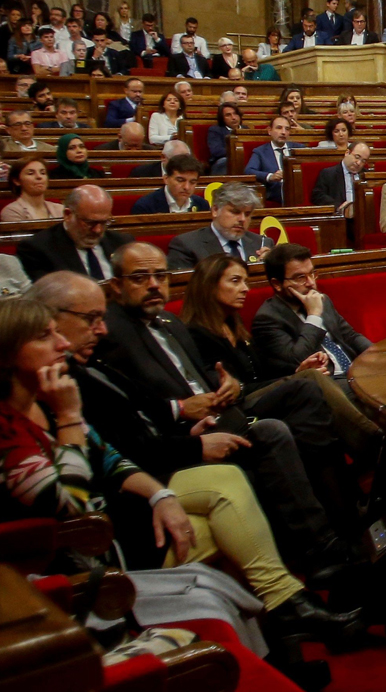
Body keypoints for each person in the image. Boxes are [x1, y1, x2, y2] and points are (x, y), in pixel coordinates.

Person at [0, 292, 359, 643]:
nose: (61, 345)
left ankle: (283, 623)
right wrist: (71, 416)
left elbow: (109, 459)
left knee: (226, 487)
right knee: (222, 525)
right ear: (4, 354)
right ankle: (285, 616)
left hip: (109, 522)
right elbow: (67, 506)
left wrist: (159, 494)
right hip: (67, 559)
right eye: (45, 336)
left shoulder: (38, 403)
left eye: (58, 332)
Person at [90, 245, 366, 574]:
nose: (154, 284)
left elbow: (214, 381)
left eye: (160, 276)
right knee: (299, 400)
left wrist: (229, 388)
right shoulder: (112, 332)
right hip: (189, 432)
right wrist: (182, 410)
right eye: (140, 277)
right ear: (117, 285)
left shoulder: (169, 323)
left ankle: (341, 527)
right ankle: (337, 526)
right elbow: (136, 410)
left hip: (225, 411)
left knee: (305, 406)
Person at [180, 255, 379, 452]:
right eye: (235, 281)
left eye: (245, 281)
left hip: (258, 394)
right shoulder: (196, 333)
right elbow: (224, 391)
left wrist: (296, 373)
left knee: (314, 381)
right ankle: (376, 442)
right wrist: (296, 373)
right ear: (209, 286)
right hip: (238, 409)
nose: (245, 288)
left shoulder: (233, 326)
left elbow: (262, 373)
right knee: (314, 380)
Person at [252, 244, 375, 396]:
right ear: (277, 284)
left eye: (312, 274)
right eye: (300, 277)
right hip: (326, 383)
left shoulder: (322, 299)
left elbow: (350, 336)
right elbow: (297, 360)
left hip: (354, 370)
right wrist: (314, 316)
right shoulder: (267, 319)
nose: (311, 283)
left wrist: (377, 354)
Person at [16, 186, 134, 281]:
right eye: (90, 223)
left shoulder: (123, 243)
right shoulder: (38, 249)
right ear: (68, 215)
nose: (97, 230)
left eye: (104, 222)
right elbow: (48, 298)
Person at [166, 184, 275, 270]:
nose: (242, 219)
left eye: (247, 214)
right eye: (235, 212)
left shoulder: (263, 243)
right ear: (215, 210)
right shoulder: (186, 245)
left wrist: (271, 265)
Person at [246, 115, 299, 205]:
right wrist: (270, 176)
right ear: (269, 131)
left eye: (287, 129)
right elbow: (249, 170)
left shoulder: (298, 149)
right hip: (275, 194)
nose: (283, 132)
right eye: (279, 128)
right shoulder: (260, 151)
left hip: (297, 192)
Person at [130, 155, 209, 214]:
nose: (186, 187)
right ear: (166, 179)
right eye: (180, 180)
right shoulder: (145, 207)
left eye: (192, 182)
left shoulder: (202, 205)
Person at [311, 141, 373, 214]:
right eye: (357, 157)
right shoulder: (328, 173)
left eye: (363, 161)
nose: (359, 163)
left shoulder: (367, 175)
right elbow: (318, 196)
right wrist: (338, 206)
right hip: (339, 217)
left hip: (362, 215)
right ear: (347, 153)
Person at [2, 155, 63, 222]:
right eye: (31, 173)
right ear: (17, 181)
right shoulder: (12, 211)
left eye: (43, 173)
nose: (39, 177)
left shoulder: (60, 209)